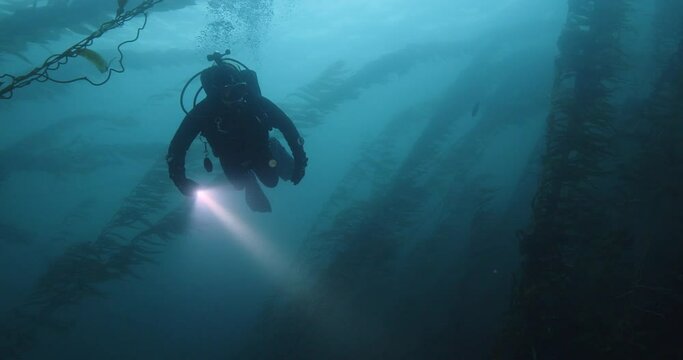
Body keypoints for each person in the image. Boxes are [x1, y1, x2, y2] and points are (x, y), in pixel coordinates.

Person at [166, 59, 307, 212]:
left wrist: (300, 161)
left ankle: (274, 147)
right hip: (230, 157)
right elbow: (178, 146)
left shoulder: (256, 102)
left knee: (271, 182)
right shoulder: (204, 112)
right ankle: (249, 180)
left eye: (239, 90)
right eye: (229, 92)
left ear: (244, 87)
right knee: (238, 185)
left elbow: (288, 128)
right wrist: (179, 179)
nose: (237, 97)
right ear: (217, 92)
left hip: (260, 150)